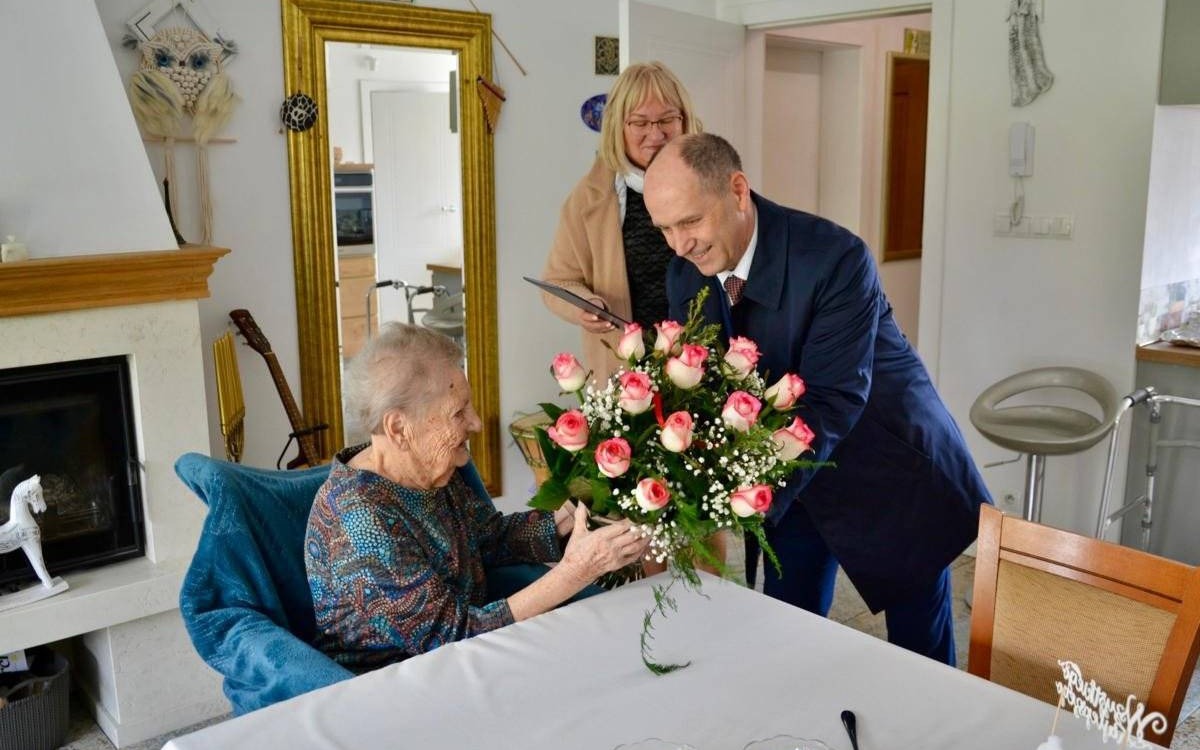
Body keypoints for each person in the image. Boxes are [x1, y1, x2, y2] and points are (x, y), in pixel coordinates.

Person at [643, 133, 992, 665]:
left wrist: (745, 490)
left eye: (689, 222)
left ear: (738, 191)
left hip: (887, 462)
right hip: (795, 479)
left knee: (919, 651)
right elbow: (704, 383)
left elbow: (833, 399)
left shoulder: (835, 257)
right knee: (788, 629)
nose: (679, 245)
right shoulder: (684, 272)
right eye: (664, 229)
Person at [305, 323, 648, 673]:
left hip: (471, 660)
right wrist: (576, 571)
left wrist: (568, 519)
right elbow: (451, 636)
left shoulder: (425, 468)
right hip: (396, 685)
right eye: (458, 412)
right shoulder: (360, 519)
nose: (477, 423)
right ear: (398, 428)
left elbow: (487, 537)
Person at [541, 61, 702, 380]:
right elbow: (557, 283)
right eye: (640, 122)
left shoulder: (711, 182)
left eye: (668, 119)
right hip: (626, 372)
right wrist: (584, 305)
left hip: (701, 358)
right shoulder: (589, 198)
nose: (656, 134)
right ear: (618, 126)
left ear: (684, 120)